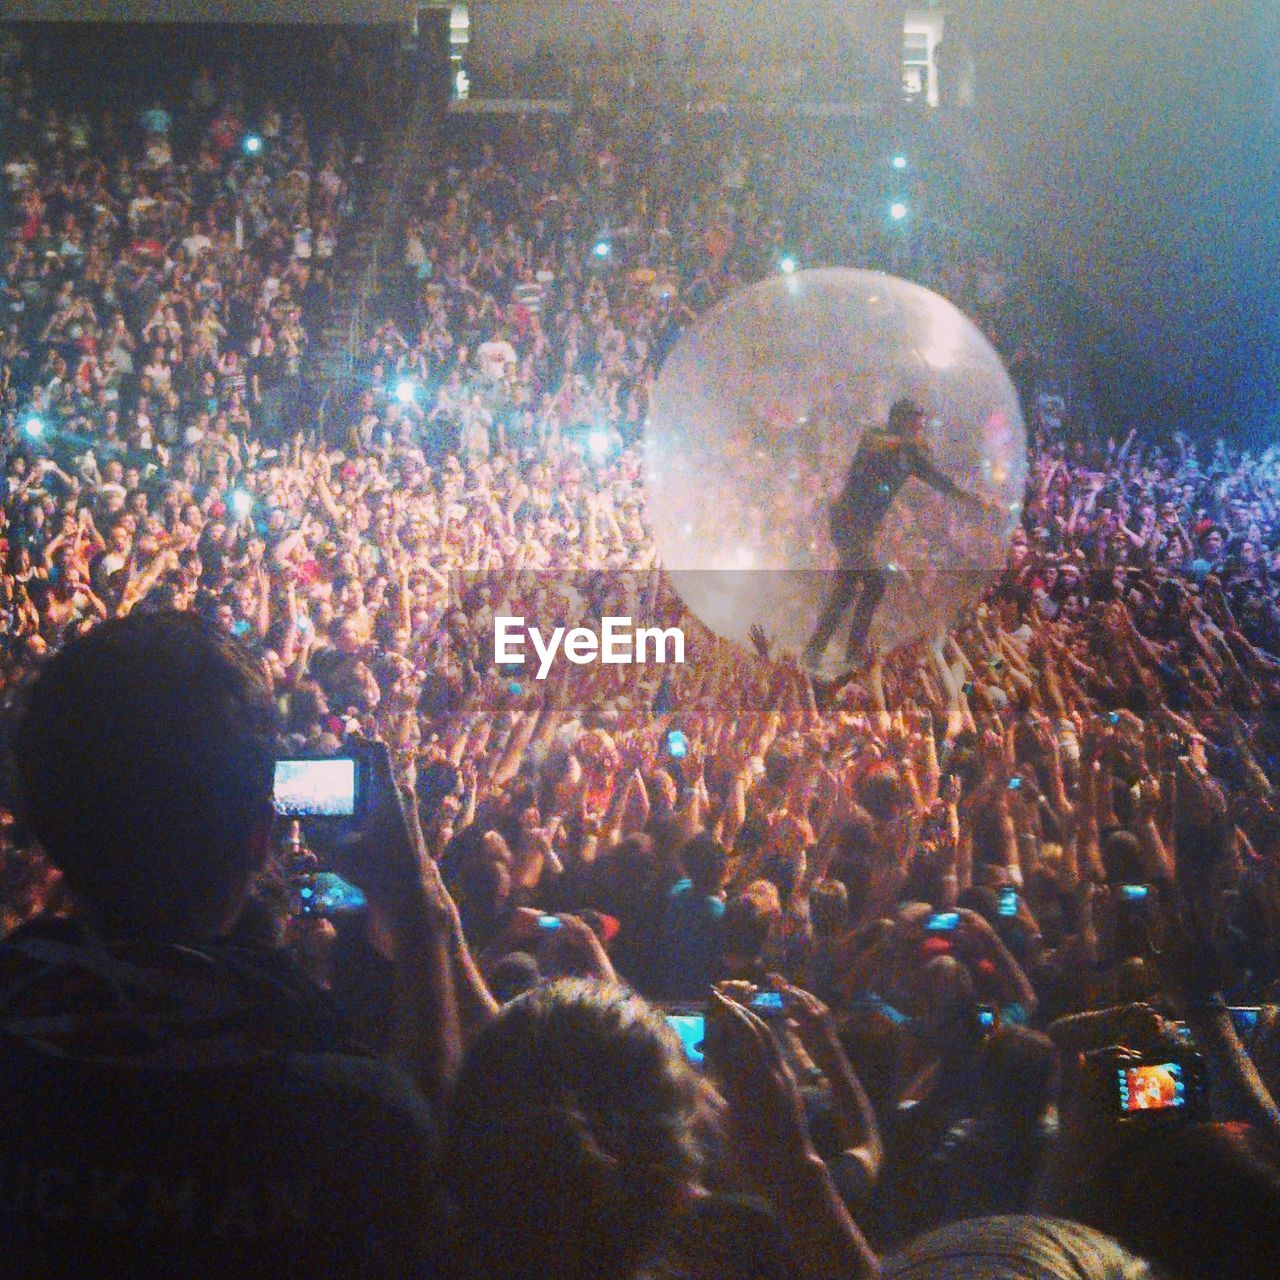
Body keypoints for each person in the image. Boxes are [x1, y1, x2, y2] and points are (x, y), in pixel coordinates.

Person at [2, 612, 451, 1278]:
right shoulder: (351, 1120)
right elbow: (429, 1158)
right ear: (260, 836)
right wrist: (420, 914)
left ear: (44, 828)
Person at [805, 399, 990, 668]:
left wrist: (971, 498)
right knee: (875, 582)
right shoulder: (876, 437)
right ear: (899, 420)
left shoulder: (911, 454)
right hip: (847, 523)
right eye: (915, 424)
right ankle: (850, 655)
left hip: (866, 529)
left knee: (846, 590)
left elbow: (939, 481)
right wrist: (909, 443)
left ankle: (816, 651)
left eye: (920, 426)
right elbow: (879, 447)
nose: (918, 431)